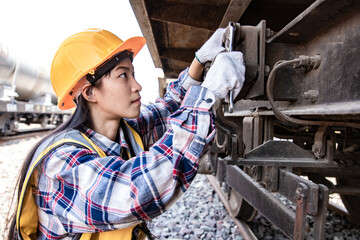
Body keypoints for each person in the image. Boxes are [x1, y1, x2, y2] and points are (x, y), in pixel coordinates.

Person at [6, 28, 245, 240]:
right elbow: (139, 191)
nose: (137, 85)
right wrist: (208, 94)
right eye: (123, 75)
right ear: (90, 93)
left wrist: (199, 62)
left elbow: (168, 107)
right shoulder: (62, 163)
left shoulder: (123, 133)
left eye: (133, 74)